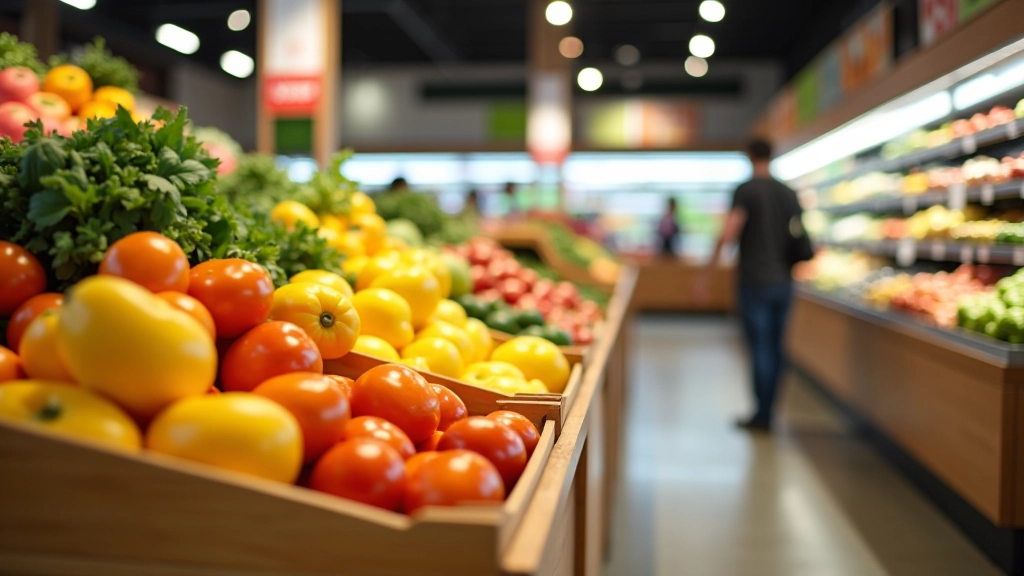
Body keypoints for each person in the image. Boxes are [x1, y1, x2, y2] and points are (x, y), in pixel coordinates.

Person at [698, 139, 805, 432]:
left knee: (759, 347)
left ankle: (762, 414)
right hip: (784, 280)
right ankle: (771, 410)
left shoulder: (746, 191)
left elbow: (730, 232)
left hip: (754, 281)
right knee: (776, 346)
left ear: (749, 155)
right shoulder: (787, 193)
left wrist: (707, 273)